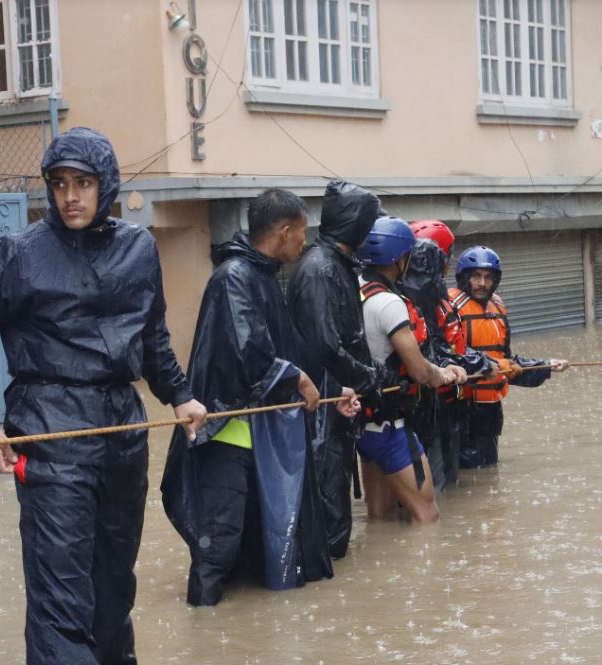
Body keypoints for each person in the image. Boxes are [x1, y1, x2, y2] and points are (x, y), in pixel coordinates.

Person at [0, 126, 205, 665]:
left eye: (83, 184)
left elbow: (153, 334)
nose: (70, 197)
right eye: (59, 185)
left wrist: (181, 395)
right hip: (48, 424)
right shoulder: (18, 253)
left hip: (121, 424)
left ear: (105, 186)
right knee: (59, 572)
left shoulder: (139, 248)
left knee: (115, 566)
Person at [162, 189, 359, 606]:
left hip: (261, 438)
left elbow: (288, 349)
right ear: (285, 231)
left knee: (254, 538)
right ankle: (204, 636)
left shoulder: (263, 278)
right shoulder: (234, 278)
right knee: (218, 545)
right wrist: (299, 378)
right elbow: (249, 355)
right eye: (302, 234)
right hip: (226, 434)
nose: (304, 244)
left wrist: (330, 391)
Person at [284, 180, 386, 560]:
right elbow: (324, 345)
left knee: (335, 499)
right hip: (320, 406)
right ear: (356, 224)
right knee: (328, 506)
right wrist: (365, 376)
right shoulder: (320, 270)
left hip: (336, 400)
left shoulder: (337, 265)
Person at [354, 217, 468, 523]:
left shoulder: (357, 288)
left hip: (363, 426)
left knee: (379, 516)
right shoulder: (390, 303)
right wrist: (446, 373)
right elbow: (419, 370)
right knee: (427, 514)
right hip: (392, 427)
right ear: (401, 258)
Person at [450, 245, 570, 468]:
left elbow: (507, 361)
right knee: (467, 473)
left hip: (490, 408)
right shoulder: (451, 307)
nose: (482, 283)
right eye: (476, 276)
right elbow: (450, 356)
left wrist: (546, 366)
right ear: (464, 277)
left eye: (487, 277)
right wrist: (493, 365)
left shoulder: (498, 306)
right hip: (461, 408)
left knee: (487, 471)